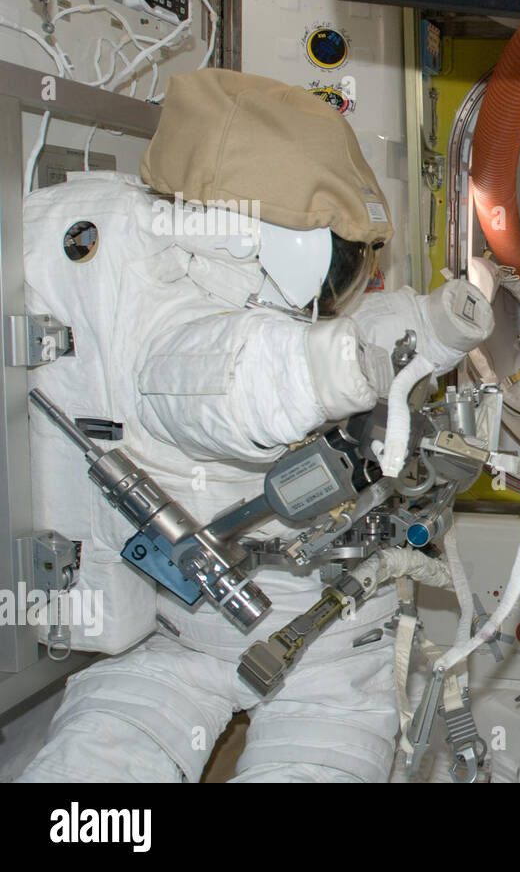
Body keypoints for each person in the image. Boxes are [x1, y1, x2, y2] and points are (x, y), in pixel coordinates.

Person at [18, 69, 494, 782]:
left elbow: (351, 322)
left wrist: (428, 328)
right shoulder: (171, 318)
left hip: (325, 646)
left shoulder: (265, 300)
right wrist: (331, 370)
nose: (343, 287)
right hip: (181, 639)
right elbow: (226, 380)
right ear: (262, 240)